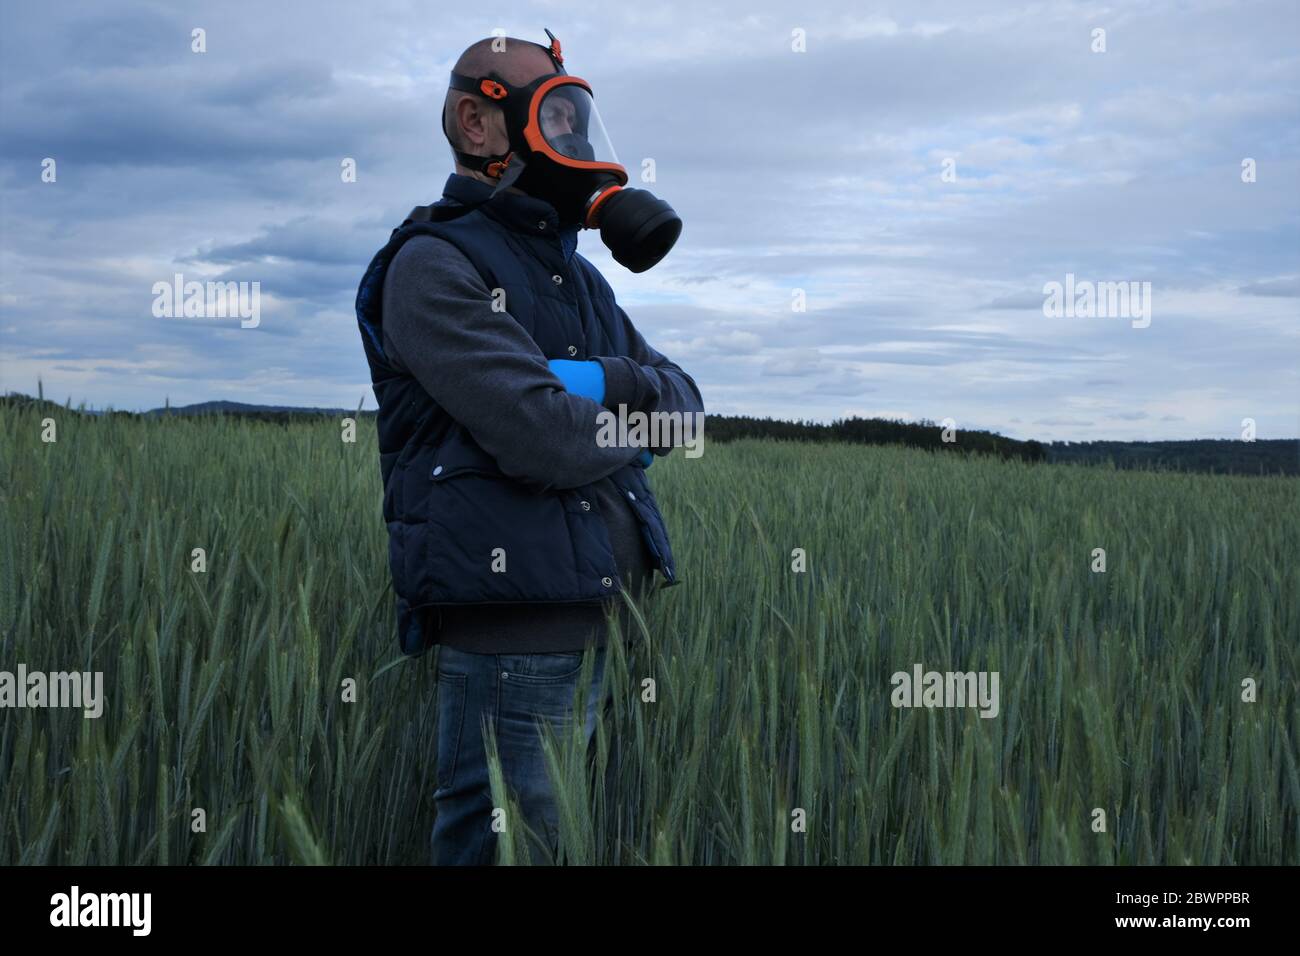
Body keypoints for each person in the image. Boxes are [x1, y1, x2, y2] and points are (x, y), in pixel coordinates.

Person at [354, 28, 704, 865]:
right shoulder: (434, 265)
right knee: (513, 847)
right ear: (478, 123)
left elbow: (686, 413)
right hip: (514, 635)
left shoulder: (576, 277)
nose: (577, 138)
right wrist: (622, 409)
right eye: (555, 112)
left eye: (580, 113)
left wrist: (598, 382)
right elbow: (544, 437)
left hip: (600, 614)